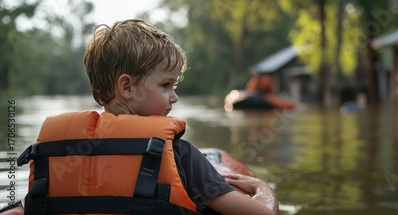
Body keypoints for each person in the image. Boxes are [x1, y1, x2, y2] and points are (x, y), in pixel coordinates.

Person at [14, 19, 279, 215]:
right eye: (166, 85)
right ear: (126, 87)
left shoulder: (60, 153)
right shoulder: (180, 156)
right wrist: (262, 188)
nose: (174, 97)